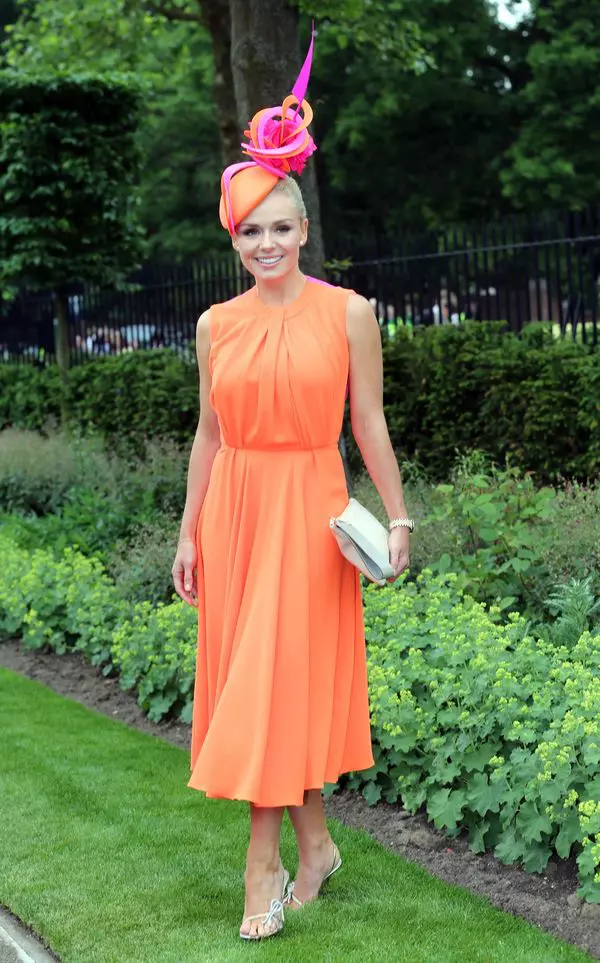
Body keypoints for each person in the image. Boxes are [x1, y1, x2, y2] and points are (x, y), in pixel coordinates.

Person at [171, 32, 412, 943]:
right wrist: (189, 529)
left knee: (279, 686)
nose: (267, 241)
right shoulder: (213, 327)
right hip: (235, 513)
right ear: (233, 240)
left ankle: (262, 866)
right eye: (250, 230)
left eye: (282, 225)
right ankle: (317, 848)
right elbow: (208, 433)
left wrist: (398, 516)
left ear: (305, 229)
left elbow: (370, 425)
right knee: (263, 684)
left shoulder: (348, 312)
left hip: (310, 514)